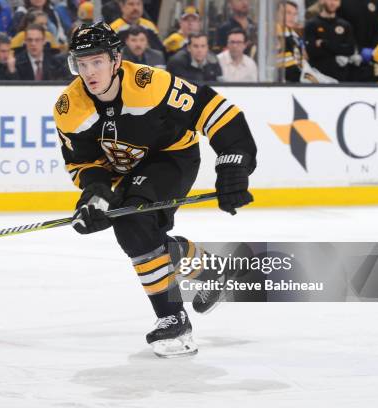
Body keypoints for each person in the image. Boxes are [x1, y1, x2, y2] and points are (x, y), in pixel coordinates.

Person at [53, 22, 256, 358]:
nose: (89, 72)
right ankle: (215, 270)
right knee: (138, 229)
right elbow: (84, 164)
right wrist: (96, 196)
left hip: (172, 157)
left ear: (116, 60)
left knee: (133, 224)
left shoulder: (150, 84)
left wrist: (234, 163)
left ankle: (172, 319)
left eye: (97, 62)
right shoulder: (69, 107)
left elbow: (216, 111)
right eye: (82, 63)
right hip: (128, 171)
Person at [304, 0, 356, 81]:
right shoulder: (312, 24)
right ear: (322, 1)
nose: (333, 3)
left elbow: (350, 50)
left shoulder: (345, 25)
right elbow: (311, 51)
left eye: (336, 0)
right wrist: (339, 50)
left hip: (341, 78)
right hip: (318, 77)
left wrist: (323, 43)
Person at [276, 0, 305, 82]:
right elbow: (287, 69)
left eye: (295, 14)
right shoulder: (274, 36)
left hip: (294, 83)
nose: (292, 17)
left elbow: (299, 62)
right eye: (288, 13)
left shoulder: (294, 35)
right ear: (277, 14)